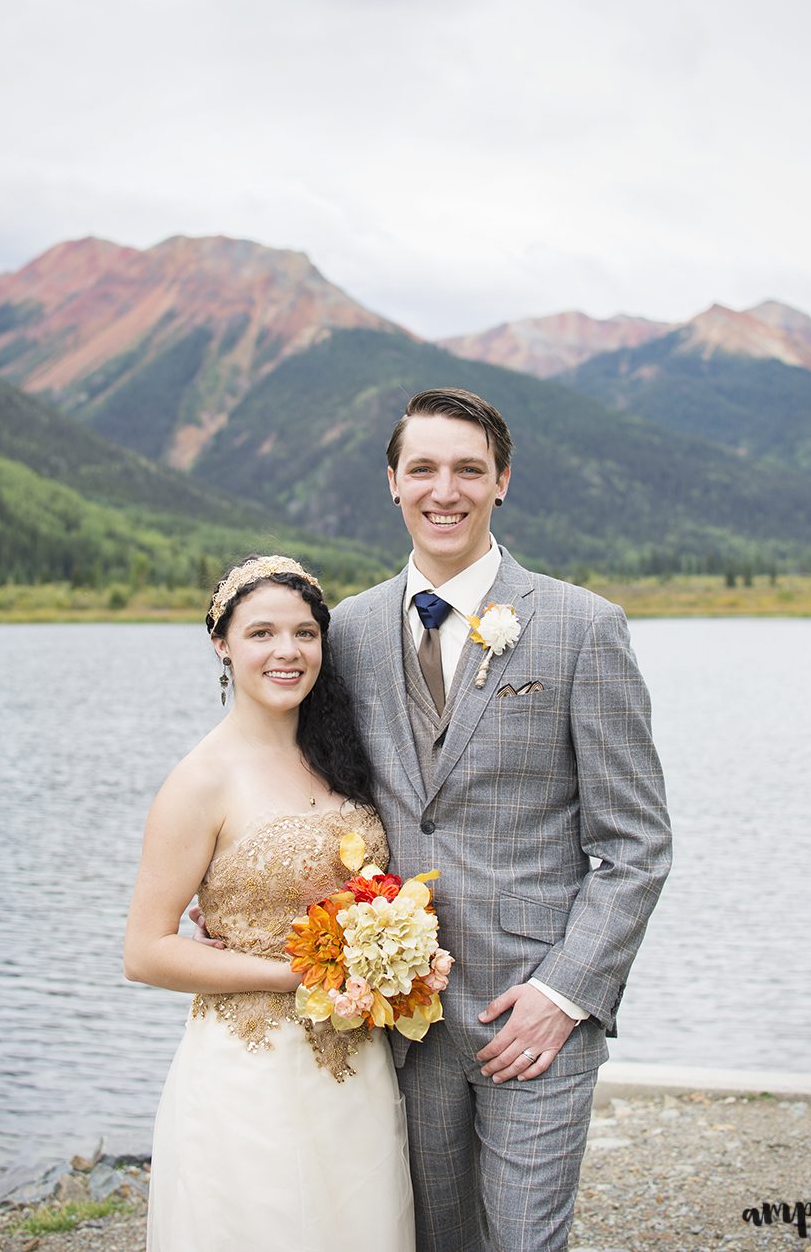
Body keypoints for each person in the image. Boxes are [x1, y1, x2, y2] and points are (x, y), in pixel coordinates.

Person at [326, 388, 672, 1252]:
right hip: (398, 1020)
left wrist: (566, 994)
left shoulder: (582, 628)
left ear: (502, 481)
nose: (446, 490)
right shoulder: (348, 632)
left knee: (524, 1241)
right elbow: (315, 801)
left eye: (469, 470)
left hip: (532, 1017)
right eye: (424, 469)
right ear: (393, 484)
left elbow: (635, 844)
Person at [124, 555, 414, 1252]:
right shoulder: (200, 781)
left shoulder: (343, 759)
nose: (287, 652)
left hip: (357, 1064)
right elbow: (145, 952)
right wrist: (300, 974)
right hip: (250, 1073)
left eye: (305, 634)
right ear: (222, 643)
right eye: (261, 634)